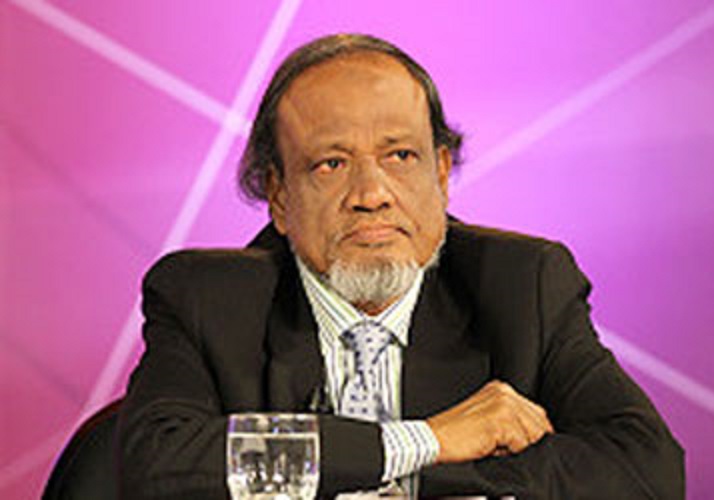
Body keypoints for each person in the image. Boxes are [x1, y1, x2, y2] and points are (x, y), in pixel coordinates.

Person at [117, 33, 684, 499]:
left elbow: (647, 468)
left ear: (441, 173)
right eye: (331, 164)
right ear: (279, 196)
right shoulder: (208, 300)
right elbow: (158, 468)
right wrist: (426, 441)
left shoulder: (524, 284)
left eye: (400, 156)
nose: (372, 194)